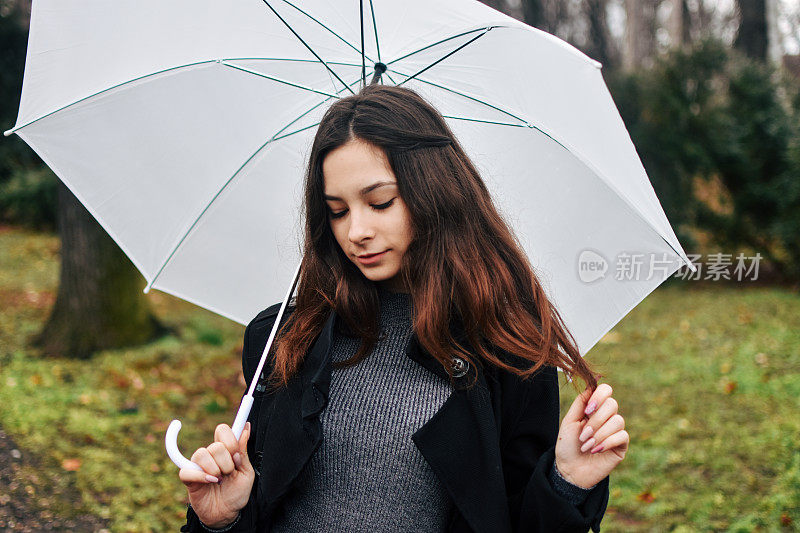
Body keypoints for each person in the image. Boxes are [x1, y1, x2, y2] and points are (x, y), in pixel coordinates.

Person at [178, 84, 629, 532]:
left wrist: (567, 482)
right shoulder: (283, 338)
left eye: (380, 202)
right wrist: (221, 521)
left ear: (435, 193)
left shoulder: (507, 351)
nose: (356, 230)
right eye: (337, 210)